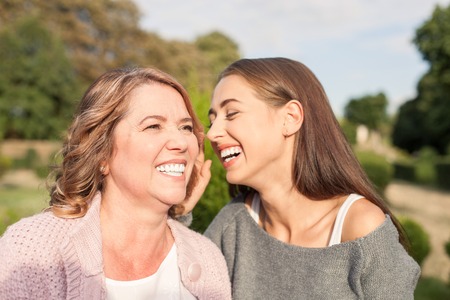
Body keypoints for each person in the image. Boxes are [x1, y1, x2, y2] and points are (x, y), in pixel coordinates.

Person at [0, 67, 231, 299]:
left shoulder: (208, 259)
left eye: (186, 127)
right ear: (101, 153)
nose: (181, 142)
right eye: (153, 126)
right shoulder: (33, 250)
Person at [201, 57, 420, 299]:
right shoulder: (232, 223)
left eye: (231, 114)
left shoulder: (360, 228)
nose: (212, 133)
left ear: (291, 117)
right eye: (212, 120)